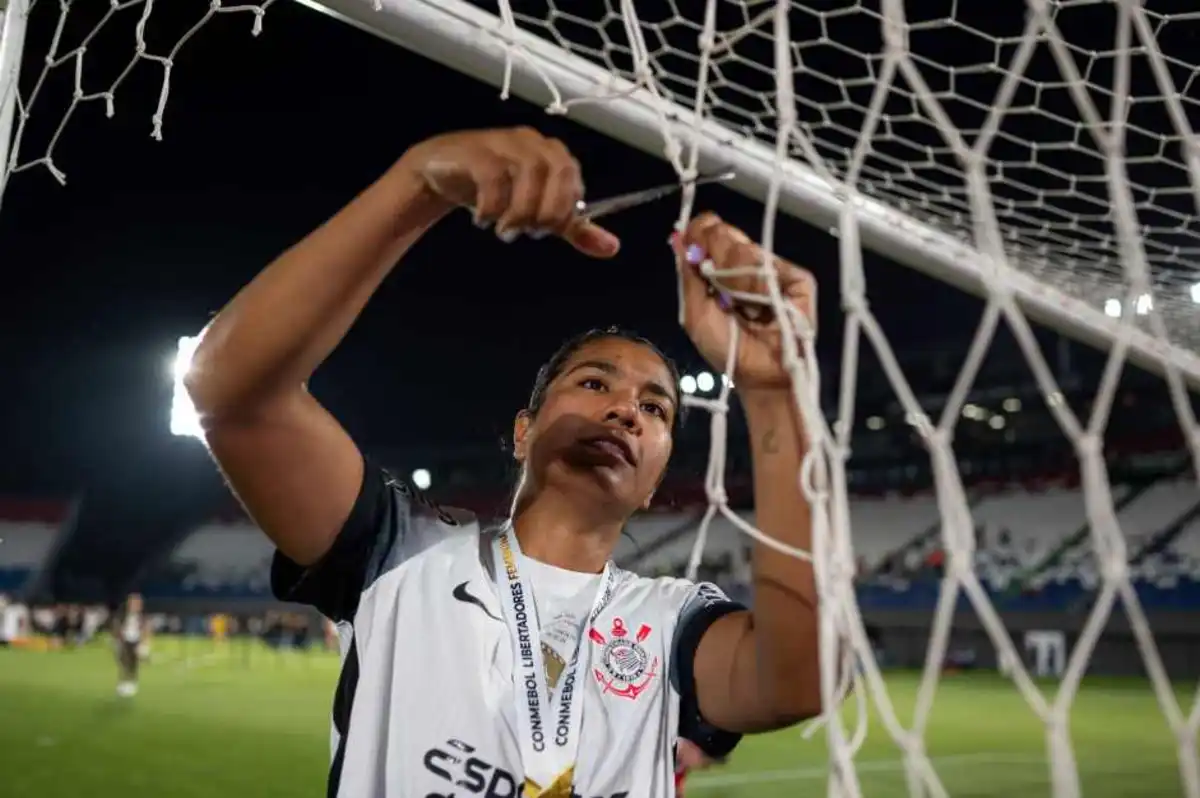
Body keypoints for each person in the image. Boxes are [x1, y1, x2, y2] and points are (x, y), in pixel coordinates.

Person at [184, 126, 823, 798]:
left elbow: (798, 682)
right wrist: (415, 187)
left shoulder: (674, 622)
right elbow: (231, 395)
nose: (626, 410)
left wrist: (778, 390)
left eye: (656, 408)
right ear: (524, 431)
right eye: (594, 382)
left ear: (657, 478)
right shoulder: (401, 554)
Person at [110, 593, 147, 697]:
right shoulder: (122, 614)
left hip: (136, 640)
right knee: (123, 661)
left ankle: (132, 683)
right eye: (132, 603)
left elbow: (145, 629)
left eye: (137, 603)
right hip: (124, 640)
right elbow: (116, 626)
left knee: (133, 663)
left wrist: (144, 644)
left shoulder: (141, 616)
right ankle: (123, 683)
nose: (135, 605)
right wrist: (116, 639)